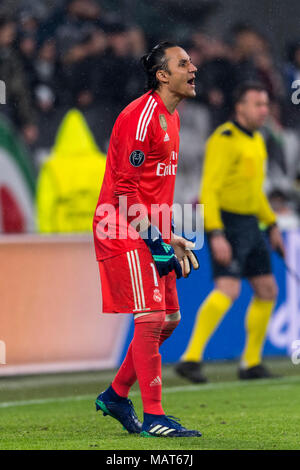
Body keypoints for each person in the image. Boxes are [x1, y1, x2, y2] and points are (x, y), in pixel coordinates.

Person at [92, 42, 201, 438]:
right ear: (162, 75)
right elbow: (123, 192)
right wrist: (155, 240)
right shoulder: (142, 117)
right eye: (184, 63)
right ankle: (155, 416)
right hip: (120, 226)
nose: (193, 68)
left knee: (169, 320)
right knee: (151, 317)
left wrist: (168, 236)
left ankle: (117, 394)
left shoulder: (172, 118)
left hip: (148, 229)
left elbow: (150, 191)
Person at [175, 82, 285, 383]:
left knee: (267, 290)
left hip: (251, 223)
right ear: (240, 107)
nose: (264, 110)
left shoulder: (257, 140)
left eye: (265, 104)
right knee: (229, 289)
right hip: (228, 224)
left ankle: (251, 363)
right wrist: (216, 233)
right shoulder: (223, 139)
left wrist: (272, 224)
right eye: (257, 104)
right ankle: (191, 358)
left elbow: (255, 192)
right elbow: (209, 188)